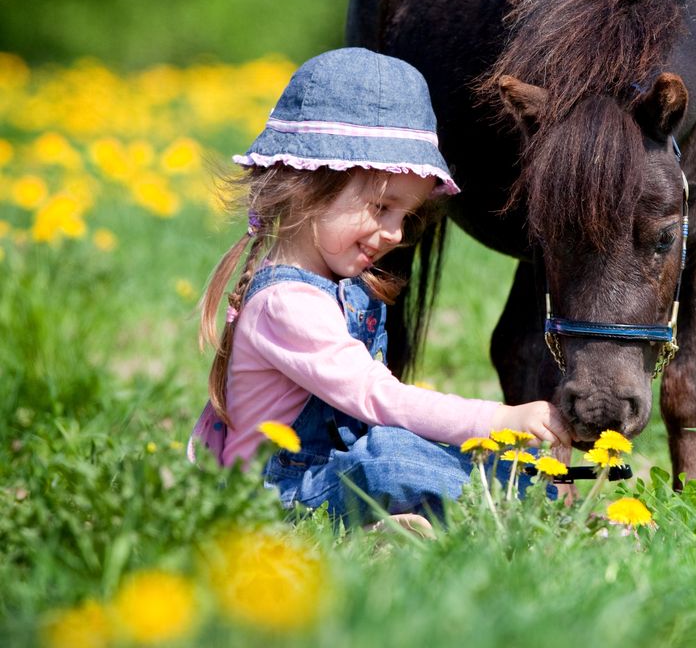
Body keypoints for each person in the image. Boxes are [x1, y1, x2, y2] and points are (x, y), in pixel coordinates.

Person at [187, 47, 570, 527]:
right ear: (311, 185)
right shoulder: (285, 304)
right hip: (274, 499)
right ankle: (535, 505)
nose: (395, 234)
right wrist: (498, 421)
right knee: (390, 459)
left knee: (402, 451)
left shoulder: (342, 285)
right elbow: (378, 397)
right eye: (381, 208)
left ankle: (533, 494)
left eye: (404, 216)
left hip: (327, 474)